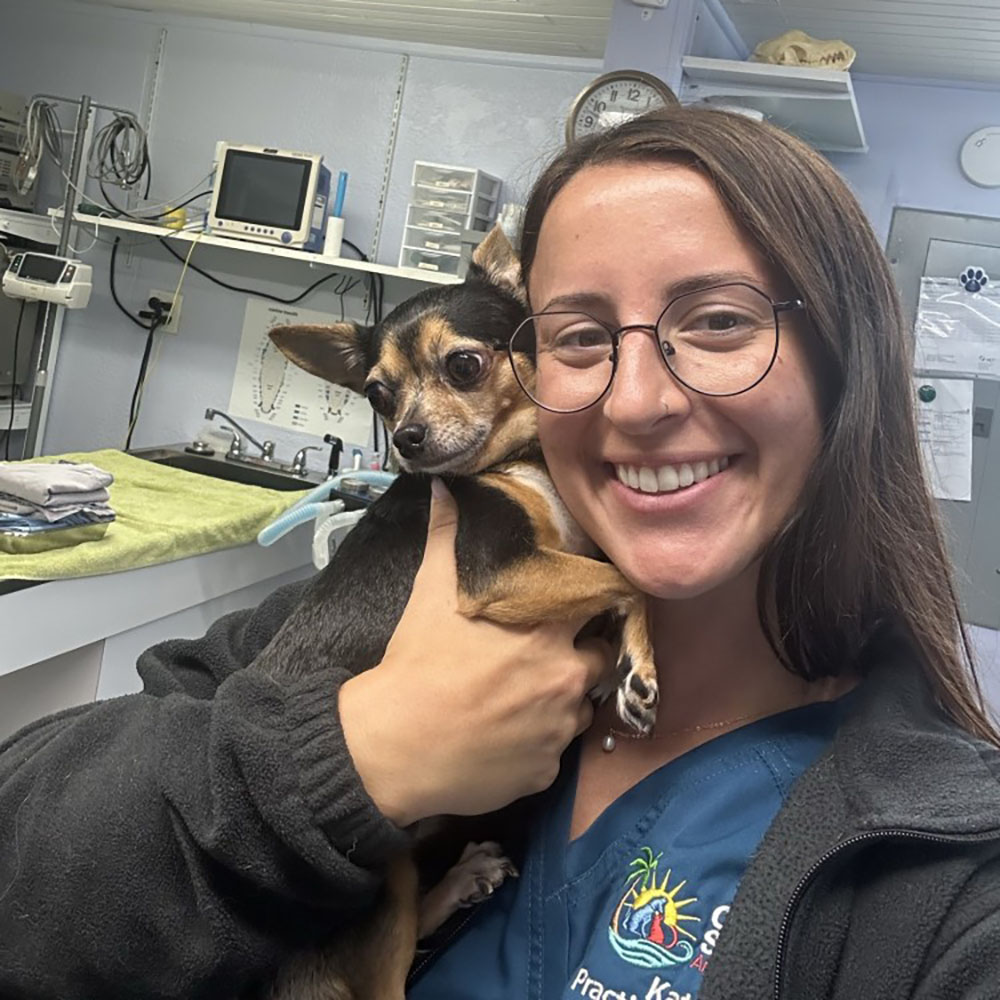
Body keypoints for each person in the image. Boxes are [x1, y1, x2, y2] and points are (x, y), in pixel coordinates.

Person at [2, 106, 999, 1000]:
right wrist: (352, 753)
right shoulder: (376, 610)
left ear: (848, 365)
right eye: (576, 335)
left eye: (720, 321)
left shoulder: (936, 866)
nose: (636, 398)